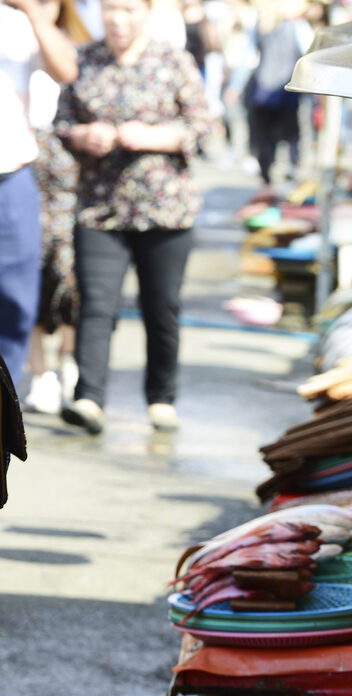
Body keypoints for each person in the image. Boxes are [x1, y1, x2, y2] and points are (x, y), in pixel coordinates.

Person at [55, 0, 211, 434]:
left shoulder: (172, 61)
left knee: (161, 307)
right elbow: (61, 123)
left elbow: (202, 126)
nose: (118, 19)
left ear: (145, 12)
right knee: (96, 306)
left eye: (127, 9)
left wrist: (156, 137)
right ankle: (89, 398)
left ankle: (162, 398)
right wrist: (82, 135)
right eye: (110, 9)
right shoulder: (84, 60)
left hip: (165, 210)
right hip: (100, 209)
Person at [0, 0, 77, 389]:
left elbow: (66, 69)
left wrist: (32, 10)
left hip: (10, 175)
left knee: (15, 301)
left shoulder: (18, 22)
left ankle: (3, 413)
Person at [24, 0, 91, 416]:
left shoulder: (78, 48)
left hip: (70, 172)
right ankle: (38, 372)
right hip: (23, 166)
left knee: (71, 275)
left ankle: (69, 362)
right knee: (23, 273)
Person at [246, 0, 311, 185]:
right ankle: (292, 168)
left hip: (263, 89)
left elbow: (249, 58)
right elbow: (309, 52)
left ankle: (267, 172)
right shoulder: (297, 27)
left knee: (265, 137)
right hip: (287, 90)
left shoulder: (259, 27)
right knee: (291, 134)